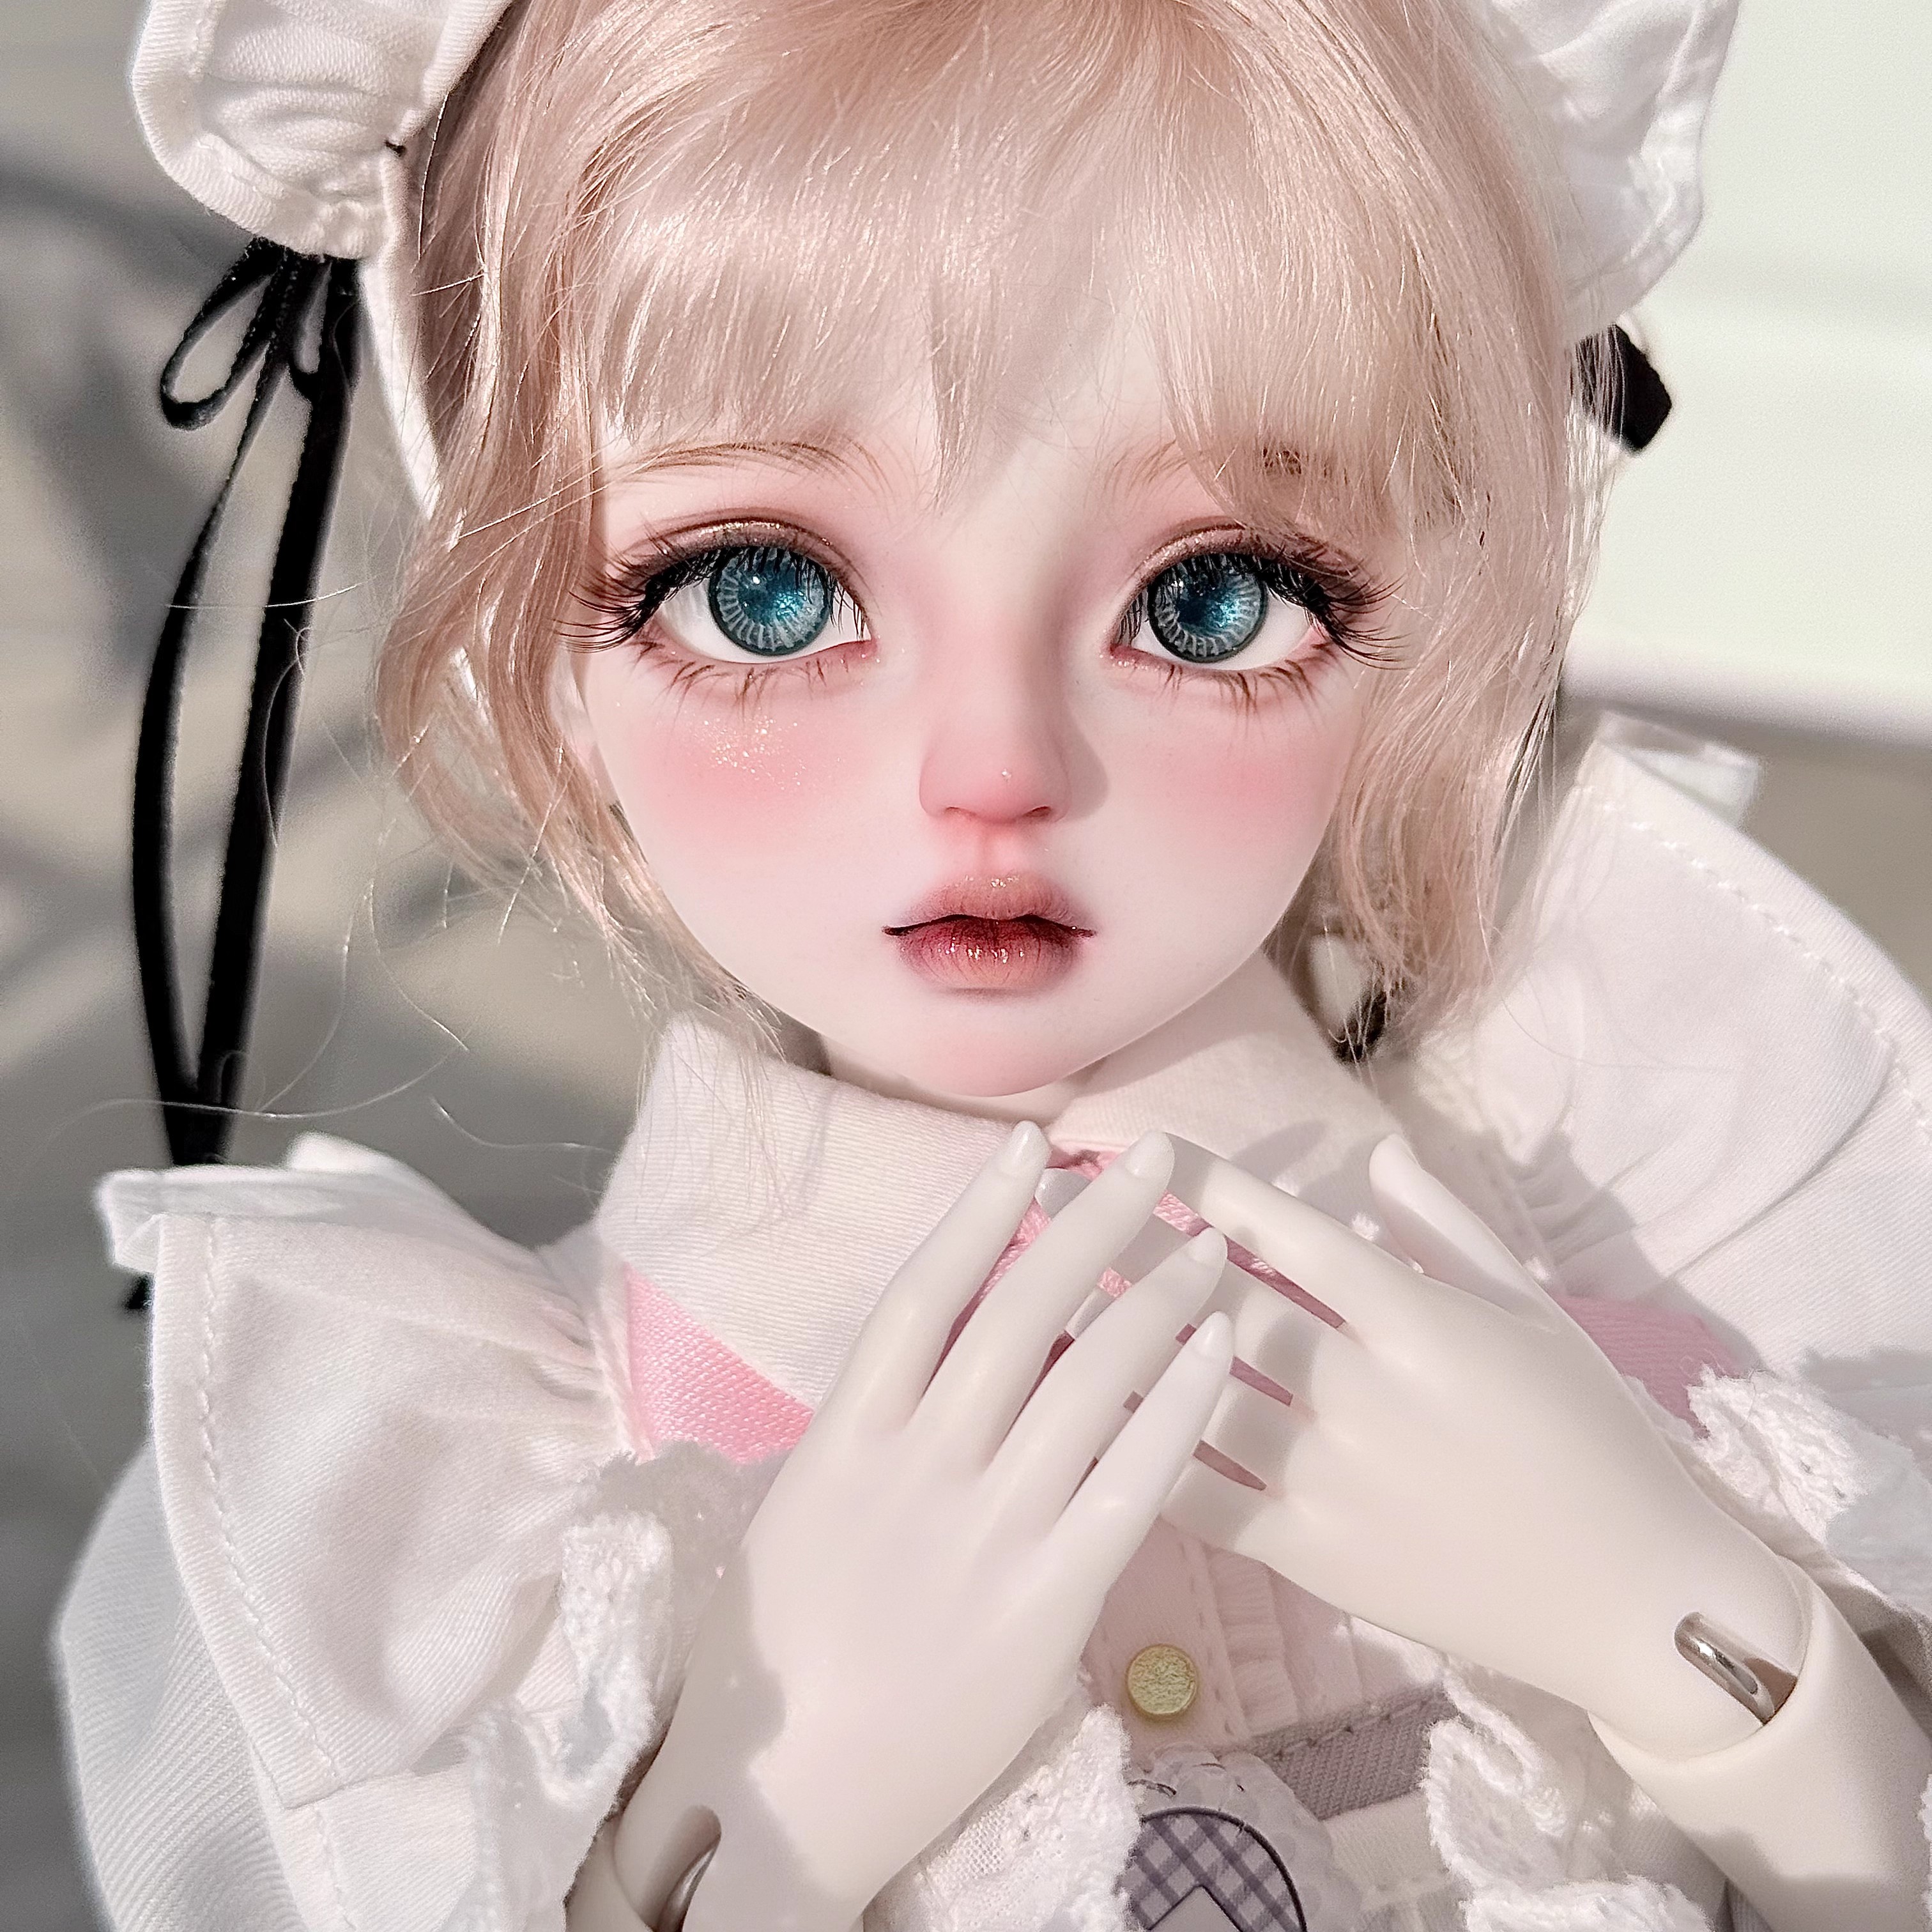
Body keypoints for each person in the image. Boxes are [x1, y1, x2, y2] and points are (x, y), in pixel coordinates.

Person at [56, 1, 1932, 1928]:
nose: (996, 773)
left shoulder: (1709, 1260)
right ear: (528, 632)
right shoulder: (485, 1534)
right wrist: (739, 1827)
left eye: (1213, 599)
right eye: (764, 591)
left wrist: (1708, 1654)